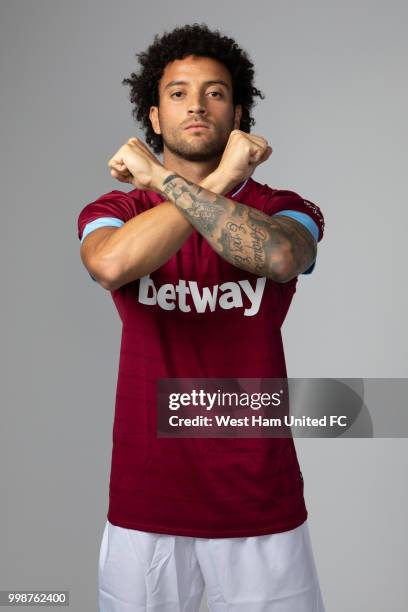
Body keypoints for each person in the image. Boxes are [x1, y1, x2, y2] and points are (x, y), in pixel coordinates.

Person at [77, 22, 326, 612]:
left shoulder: (283, 208)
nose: (196, 105)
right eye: (178, 92)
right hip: (147, 499)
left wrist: (165, 178)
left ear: (238, 112)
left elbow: (279, 256)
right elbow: (112, 264)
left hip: (259, 500)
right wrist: (216, 181)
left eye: (215, 92)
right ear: (155, 116)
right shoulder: (117, 208)